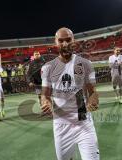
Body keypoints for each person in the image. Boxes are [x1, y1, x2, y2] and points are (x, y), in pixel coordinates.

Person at [41, 27, 100, 160]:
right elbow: (45, 95)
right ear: (56, 43)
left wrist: (93, 99)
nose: (65, 44)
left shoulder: (85, 64)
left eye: (68, 40)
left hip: (83, 123)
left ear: (74, 41)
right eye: (61, 41)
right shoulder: (48, 67)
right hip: (61, 125)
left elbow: (93, 92)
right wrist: (45, 102)